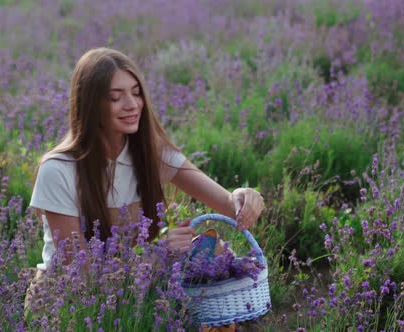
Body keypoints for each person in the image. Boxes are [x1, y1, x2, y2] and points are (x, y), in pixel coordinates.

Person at [25, 47, 265, 319]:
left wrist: (244, 197)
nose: (132, 104)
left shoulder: (151, 154)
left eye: (136, 93)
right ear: (91, 105)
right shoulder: (59, 170)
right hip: (67, 304)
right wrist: (158, 254)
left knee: (211, 248)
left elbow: (226, 204)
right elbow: (81, 276)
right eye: (116, 97)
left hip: (130, 291)